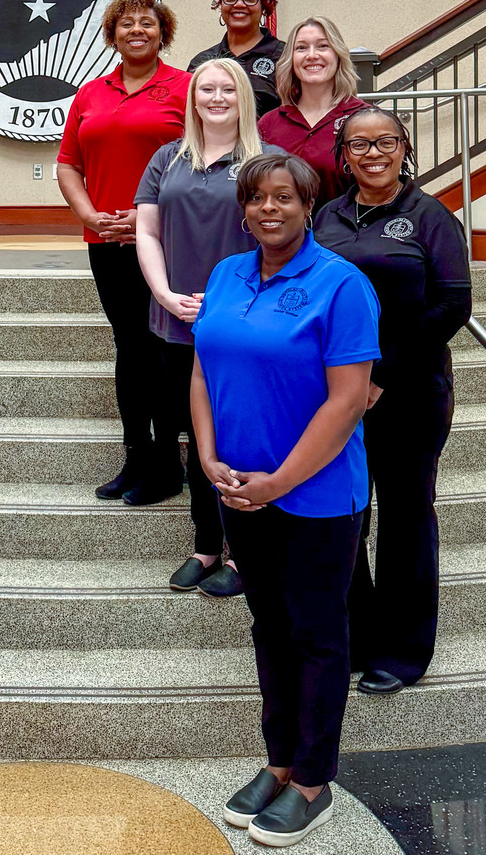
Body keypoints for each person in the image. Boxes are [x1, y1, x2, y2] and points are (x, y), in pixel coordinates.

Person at [191, 153, 380, 846]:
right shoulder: (225, 274)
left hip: (318, 497)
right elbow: (203, 370)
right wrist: (208, 455)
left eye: (284, 198)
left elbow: (347, 401)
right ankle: (277, 762)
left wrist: (279, 482)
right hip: (239, 490)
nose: (269, 209)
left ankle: (312, 781)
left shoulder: (342, 285)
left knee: (318, 636)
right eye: (257, 199)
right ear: (243, 208)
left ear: (309, 206)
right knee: (268, 629)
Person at [315, 106, 472, 695]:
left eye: (385, 142)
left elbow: (453, 306)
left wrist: (379, 373)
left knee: (406, 518)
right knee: (347, 512)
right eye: (359, 144)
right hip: (337, 396)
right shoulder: (328, 216)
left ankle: (404, 652)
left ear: (405, 147)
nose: (372, 153)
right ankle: (358, 636)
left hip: (409, 393)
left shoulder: (430, 217)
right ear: (343, 154)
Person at [135, 58, 286, 598]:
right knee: (200, 438)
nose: (216, 97)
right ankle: (205, 546)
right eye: (207, 89)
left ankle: (247, 554)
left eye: (228, 88)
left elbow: (281, 241)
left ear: (243, 96)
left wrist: (224, 303)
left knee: (247, 435)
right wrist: (164, 295)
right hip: (177, 320)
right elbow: (147, 233)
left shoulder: (266, 161)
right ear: (192, 98)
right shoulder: (164, 160)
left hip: (245, 324)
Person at [57, 0, 190, 505]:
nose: (137, 30)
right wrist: (88, 214)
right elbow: (68, 163)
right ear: (112, 34)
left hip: (166, 240)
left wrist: (148, 213)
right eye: (126, 23)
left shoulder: (184, 88)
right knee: (130, 349)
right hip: (106, 241)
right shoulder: (91, 94)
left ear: (163, 33)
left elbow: (200, 159)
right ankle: (136, 457)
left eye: (148, 23)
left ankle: (167, 462)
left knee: (163, 349)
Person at [258, 17, 366, 211]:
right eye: (301, 48)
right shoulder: (269, 124)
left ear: (338, 55)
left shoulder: (364, 119)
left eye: (323, 46)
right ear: (290, 59)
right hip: (282, 238)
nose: (312, 55)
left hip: (347, 237)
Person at [187, 0, 284, 119]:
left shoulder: (285, 58)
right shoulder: (201, 62)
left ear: (264, 5)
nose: (239, 4)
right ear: (221, 3)